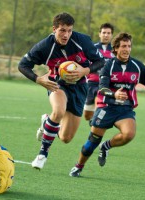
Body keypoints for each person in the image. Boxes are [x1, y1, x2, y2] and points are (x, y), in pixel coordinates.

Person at [69, 32, 145, 177]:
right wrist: (114, 94)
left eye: (129, 46)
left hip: (125, 109)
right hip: (106, 107)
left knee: (129, 134)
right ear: (115, 48)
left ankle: (106, 146)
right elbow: (102, 89)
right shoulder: (108, 65)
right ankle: (78, 166)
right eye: (123, 46)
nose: (127, 49)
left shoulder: (137, 66)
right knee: (92, 142)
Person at [18, 12, 105, 170]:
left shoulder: (82, 40)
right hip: (57, 84)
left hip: (80, 87)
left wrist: (85, 71)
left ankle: (47, 122)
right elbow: (22, 65)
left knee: (66, 138)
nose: (66, 35)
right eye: (62, 30)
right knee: (58, 111)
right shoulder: (44, 46)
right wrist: (38, 79)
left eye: (69, 30)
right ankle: (42, 154)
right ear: (54, 29)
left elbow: (100, 61)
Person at [84, 23, 114, 126]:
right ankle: (93, 120)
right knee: (87, 115)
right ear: (99, 34)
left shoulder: (115, 51)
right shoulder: (92, 48)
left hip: (105, 85)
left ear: (112, 35)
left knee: (101, 106)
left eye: (108, 33)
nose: (106, 35)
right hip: (91, 83)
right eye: (104, 32)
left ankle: (96, 124)